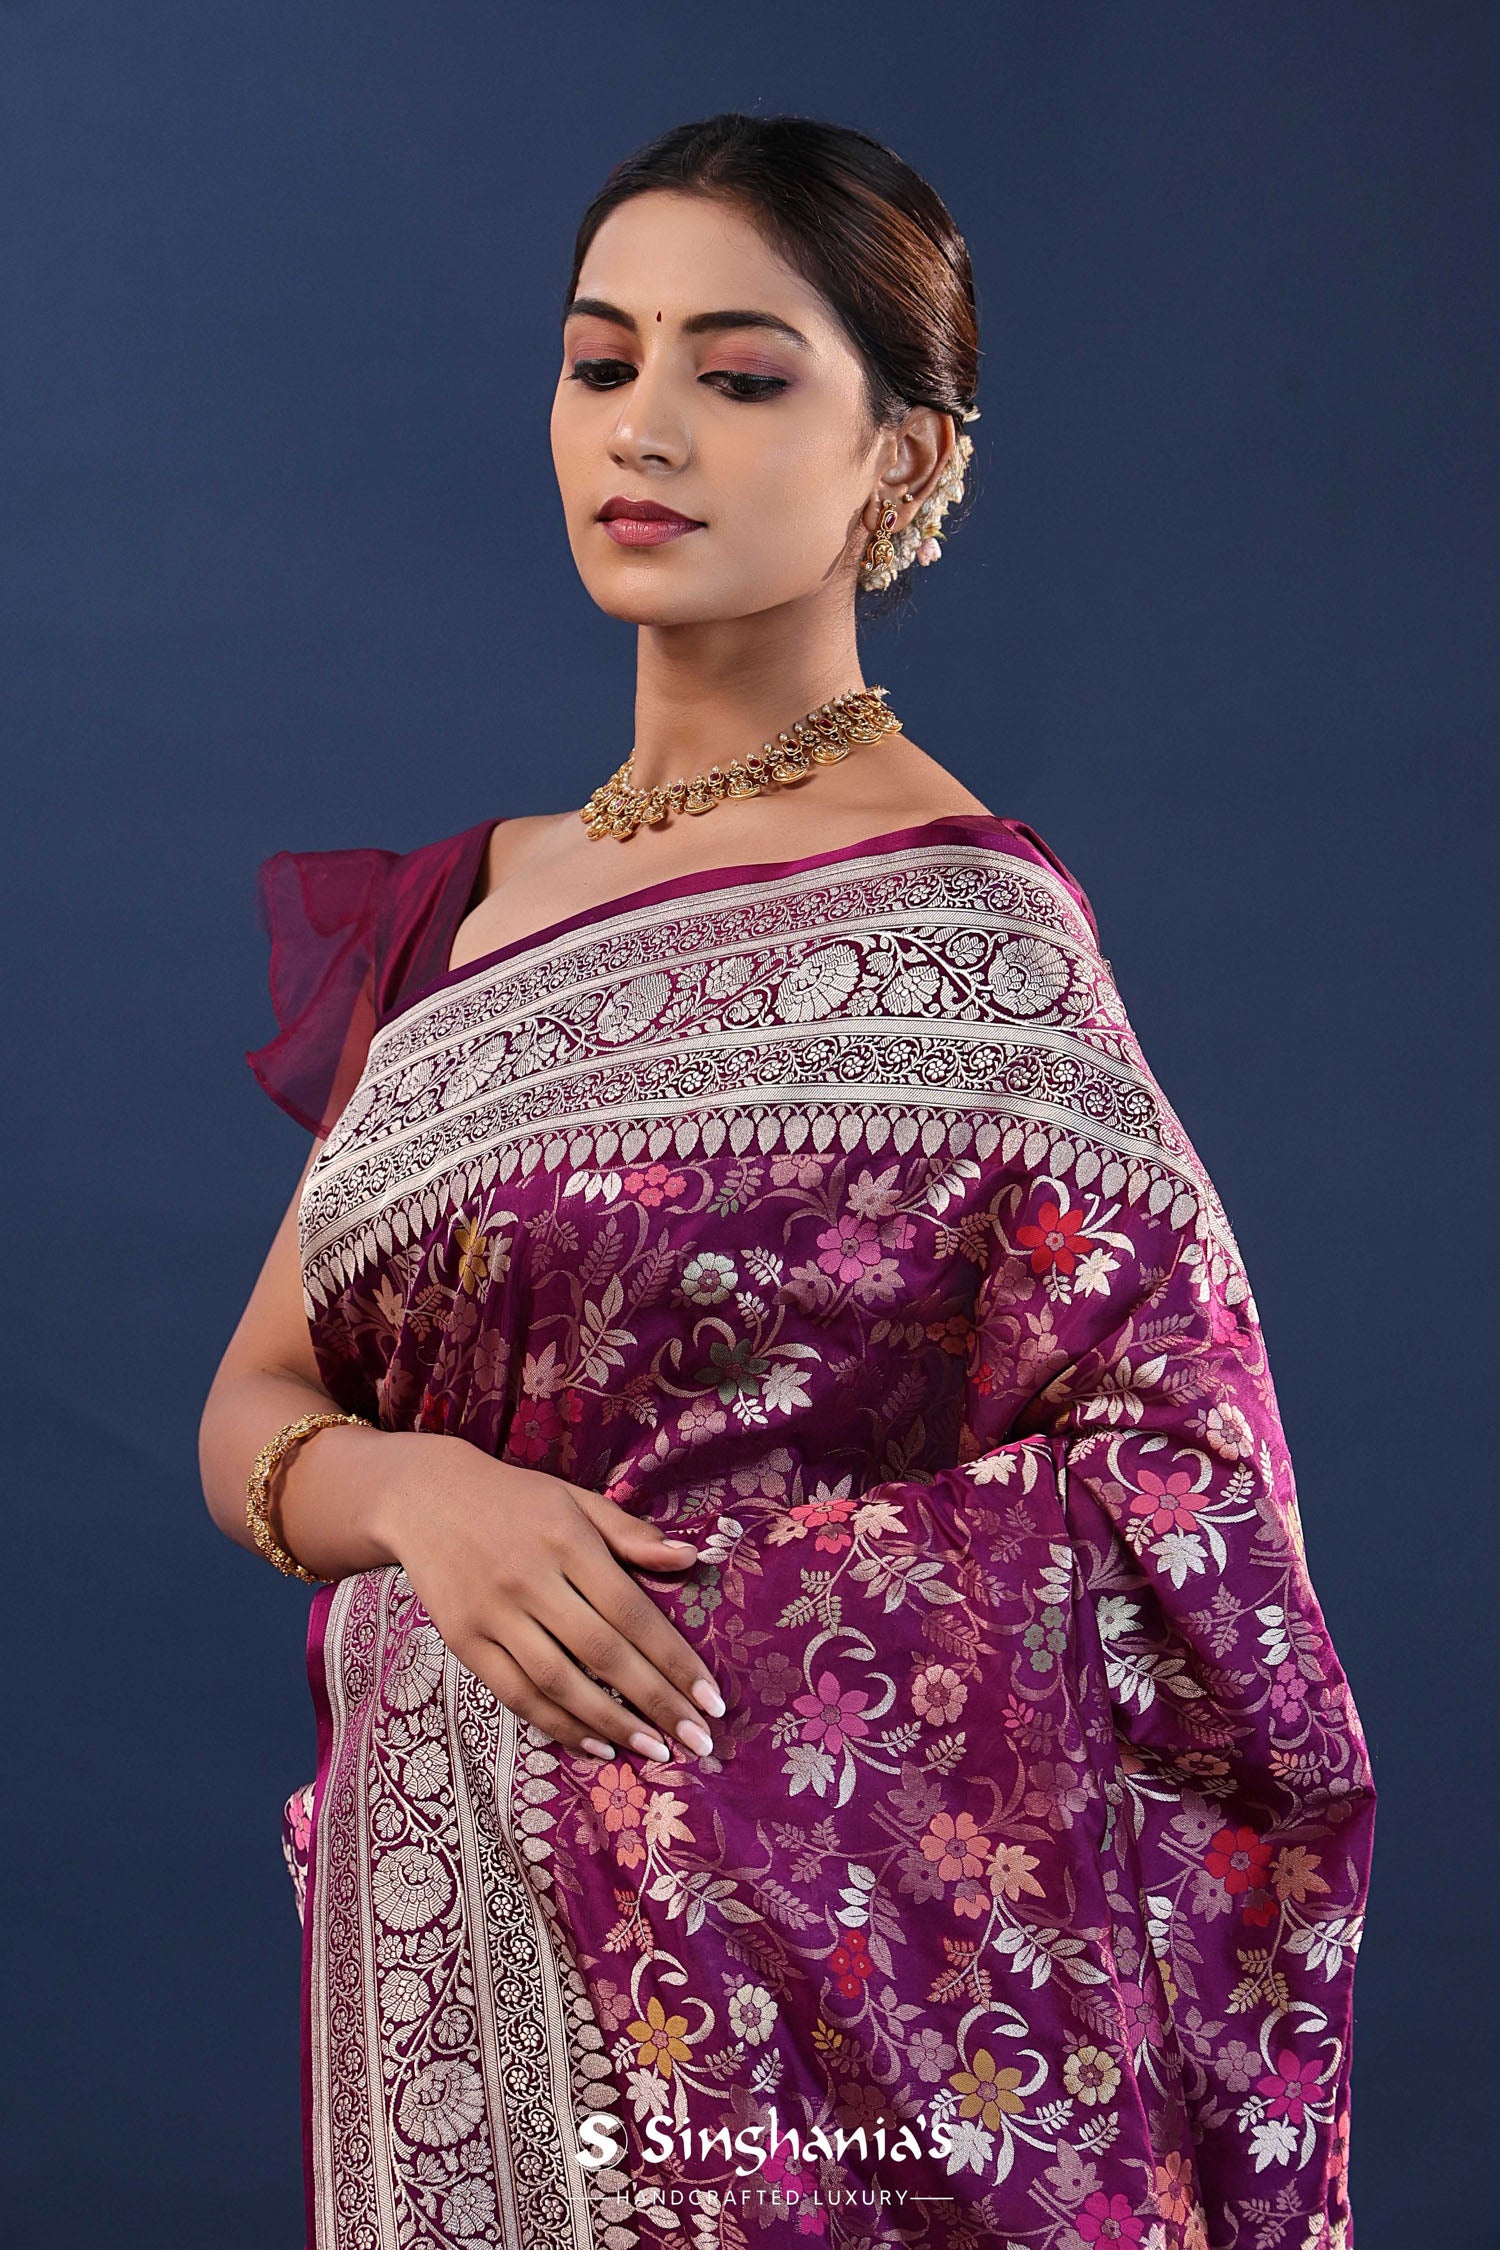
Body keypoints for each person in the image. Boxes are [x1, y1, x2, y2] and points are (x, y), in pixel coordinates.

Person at [199, 113, 1375, 2250]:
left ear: (899, 460)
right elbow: (256, 1405)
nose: (643, 428)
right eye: (601, 360)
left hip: (785, 2049)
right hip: (448, 1967)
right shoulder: (462, 916)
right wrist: (431, 1499)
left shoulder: (975, 941)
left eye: (738, 376)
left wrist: (720, 1627)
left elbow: (1193, 1518)